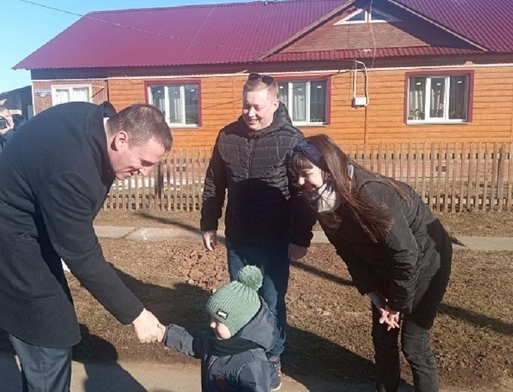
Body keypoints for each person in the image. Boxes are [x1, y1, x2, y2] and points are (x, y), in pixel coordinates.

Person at [0, 101, 173, 391]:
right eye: (145, 162)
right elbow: (82, 255)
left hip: (31, 236)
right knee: (49, 345)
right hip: (10, 252)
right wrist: (136, 314)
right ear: (120, 139)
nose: (146, 172)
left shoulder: (91, 120)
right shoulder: (72, 168)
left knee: (47, 348)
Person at [291, 134, 453, 392]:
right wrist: (374, 293)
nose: (300, 182)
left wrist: (396, 305)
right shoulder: (319, 199)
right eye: (296, 175)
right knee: (382, 337)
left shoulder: (371, 193)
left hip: (426, 259)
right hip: (386, 262)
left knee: (413, 343)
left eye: (306, 173)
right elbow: (346, 250)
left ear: (328, 168)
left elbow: (406, 254)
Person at [200, 73, 315, 390]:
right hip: (238, 238)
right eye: (246, 106)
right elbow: (215, 184)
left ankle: (272, 357)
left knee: (272, 302)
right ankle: (241, 355)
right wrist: (209, 223)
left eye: (257, 107)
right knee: (240, 300)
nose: (250, 113)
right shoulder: (227, 137)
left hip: (276, 240)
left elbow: (302, 194)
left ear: (275, 104)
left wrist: (300, 238)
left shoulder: (292, 141)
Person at [159, 265, 278, 392]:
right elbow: (192, 341)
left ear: (238, 325)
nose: (211, 324)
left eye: (218, 321)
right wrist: (165, 333)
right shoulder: (215, 340)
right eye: (212, 318)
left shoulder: (253, 365)